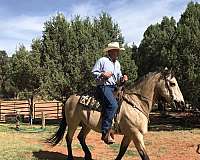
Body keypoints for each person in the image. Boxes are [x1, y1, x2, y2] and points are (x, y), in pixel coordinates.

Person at [92, 42, 128, 144]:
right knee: (112, 105)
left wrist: (123, 79)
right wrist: (103, 74)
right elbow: (94, 72)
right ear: (110, 51)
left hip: (114, 87)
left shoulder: (117, 63)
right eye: (116, 51)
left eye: (118, 51)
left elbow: (119, 78)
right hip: (103, 86)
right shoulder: (102, 60)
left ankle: (114, 127)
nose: (117, 53)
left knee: (123, 103)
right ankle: (105, 132)